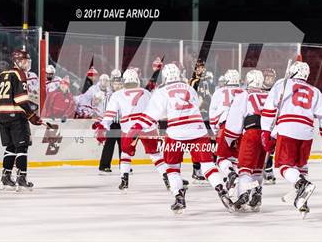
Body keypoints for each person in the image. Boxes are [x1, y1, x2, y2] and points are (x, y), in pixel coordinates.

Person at [127, 63, 234, 213]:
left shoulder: (162, 91)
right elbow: (196, 104)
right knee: (208, 165)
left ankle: (178, 196)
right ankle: (221, 189)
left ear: (165, 76)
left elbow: (151, 115)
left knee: (172, 167)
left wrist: (136, 128)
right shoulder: (189, 88)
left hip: (177, 132)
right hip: (198, 130)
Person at [260, 61, 322, 217]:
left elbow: (270, 110)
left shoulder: (282, 84)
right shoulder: (314, 91)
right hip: (307, 132)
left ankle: (302, 184)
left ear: (293, 71)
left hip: (287, 128)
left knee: (283, 166)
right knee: (300, 166)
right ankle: (303, 199)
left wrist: (266, 132)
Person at [94, 69, 169, 190]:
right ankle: (167, 178)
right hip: (147, 126)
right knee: (155, 154)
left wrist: (103, 127)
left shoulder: (117, 95)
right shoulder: (146, 92)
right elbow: (155, 111)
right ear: (137, 80)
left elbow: (109, 114)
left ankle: (124, 180)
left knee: (125, 153)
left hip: (129, 128)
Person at [0, 50, 43, 191]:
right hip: (16, 117)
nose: (26, 64)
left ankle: (6, 176)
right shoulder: (19, 74)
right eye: (24, 61)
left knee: (10, 147)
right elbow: (21, 100)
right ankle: (22, 178)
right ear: (17, 61)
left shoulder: (3, 74)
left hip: (2, 116)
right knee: (22, 146)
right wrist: (31, 115)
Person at [225, 70, 268, 212]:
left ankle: (243, 194)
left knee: (245, 167)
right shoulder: (268, 95)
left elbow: (235, 117)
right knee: (257, 169)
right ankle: (257, 194)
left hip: (251, 132)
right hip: (266, 133)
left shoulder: (244, 94)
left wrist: (230, 138)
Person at [209, 69, 242, 180]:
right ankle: (237, 181)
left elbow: (213, 115)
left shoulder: (219, 92)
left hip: (225, 126)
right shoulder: (244, 92)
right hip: (241, 128)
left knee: (221, 157)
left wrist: (215, 130)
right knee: (236, 158)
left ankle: (230, 173)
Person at [98, 73, 122, 173]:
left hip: (123, 124)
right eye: (116, 84)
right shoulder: (109, 96)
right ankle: (104, 165)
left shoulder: (124, 96)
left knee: (124, 146)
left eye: (120, 84)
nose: (118, 86)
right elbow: (105, 110)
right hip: (112, 124)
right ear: (112, 85)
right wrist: (104, 124)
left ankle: (124, 166)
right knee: (109, 145)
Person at [261, 68, 277, 184]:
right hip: (258, 121)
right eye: (267, 77)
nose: (269, 80)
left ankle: (268, 170)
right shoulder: (258, 89)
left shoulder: (276, 91)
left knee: (270, 147)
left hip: (271, 122)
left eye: (272, 78)